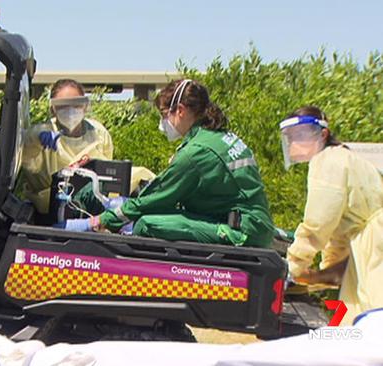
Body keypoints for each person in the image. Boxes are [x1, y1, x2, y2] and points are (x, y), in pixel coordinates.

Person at [63, 79, 274, 248]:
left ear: (180, 110)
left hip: (242, 233)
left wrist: (97, 222)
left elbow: (158, 198)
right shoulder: (217, 137)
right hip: (250, 224)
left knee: (146, 223)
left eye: (164, 115)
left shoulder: (196, 152)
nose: (162, 124)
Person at [282, 106, 383, 325]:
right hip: (371, 254)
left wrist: (291, 267)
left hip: (375, 257)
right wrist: (315, 276)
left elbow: (318, 223)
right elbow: (342, 240)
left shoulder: (327, 161)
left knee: (369, 335)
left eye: (300, 135)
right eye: (290, 137)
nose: (293, 143)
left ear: (323, 134)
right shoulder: (346, 158)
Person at [21, 79, 114, 214]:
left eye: (76, 105)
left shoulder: (99, 133)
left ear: (85, 106)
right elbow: (27, 148)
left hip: (93, 210)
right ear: (52, 108)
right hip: (49, 211)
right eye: (62, 106)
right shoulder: (45, 132)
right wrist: (38, 138)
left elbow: (109, 172)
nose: (70, 111)